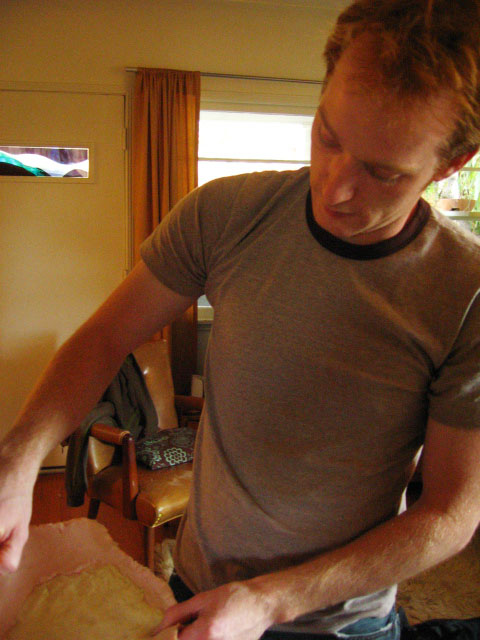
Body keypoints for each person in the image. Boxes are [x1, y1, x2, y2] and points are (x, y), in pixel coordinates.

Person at [1, 0, 480, 638]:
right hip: (196, 587)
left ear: (450, 165)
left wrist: (271, 600)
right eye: (328, 136)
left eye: (382, 172)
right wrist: (19, 455)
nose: (334, 187)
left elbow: (450, 512)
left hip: (339, 623)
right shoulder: (227, 214)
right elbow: (105, 338)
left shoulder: (465, 292)